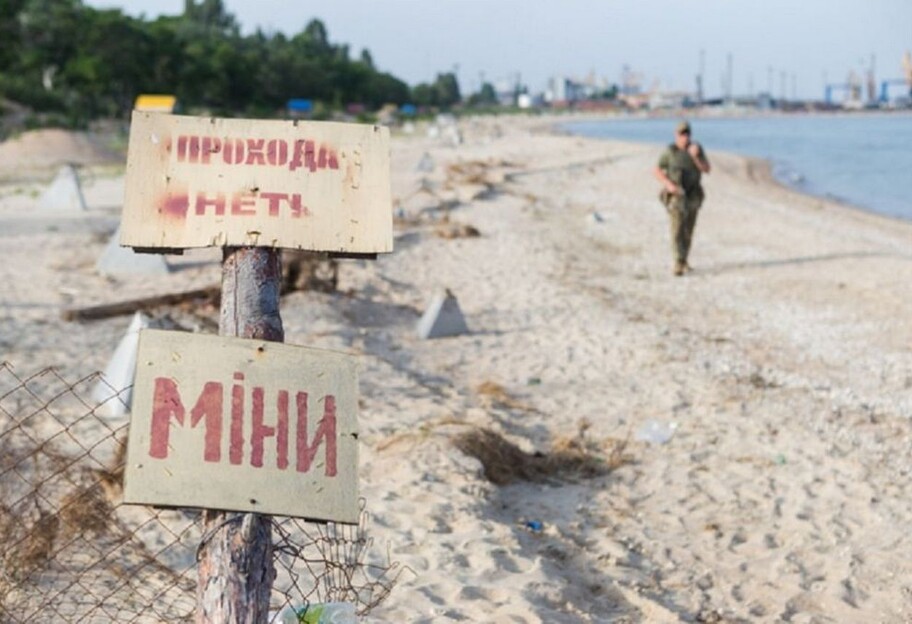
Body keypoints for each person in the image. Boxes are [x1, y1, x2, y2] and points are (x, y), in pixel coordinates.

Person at [653, 120, 711, 276]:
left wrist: (696, 157)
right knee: (677, 228)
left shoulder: (696, 149)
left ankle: (684, 259)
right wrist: (668, 184)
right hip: (676, 196)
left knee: (688, 229)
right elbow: (657, 170)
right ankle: (678, 262)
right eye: (681, 134)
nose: (684, 137)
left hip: (693, 195)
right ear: (676, 135)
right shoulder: (670, 152)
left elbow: (706, 169)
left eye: (686, 134)